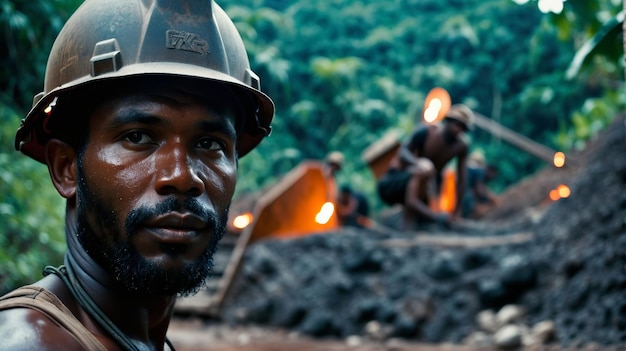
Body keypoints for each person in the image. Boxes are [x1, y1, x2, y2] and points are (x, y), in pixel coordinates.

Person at [0, 1, 274, 350]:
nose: (182, 176)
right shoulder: (30, 343)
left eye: (209, 143)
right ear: (66, 167)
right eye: (138, 137)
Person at [377, 104, 474, 230]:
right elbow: (403, 152)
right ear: (448, 121)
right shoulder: (426, 131)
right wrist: (417, 162)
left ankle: (414, 222)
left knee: (425, 222)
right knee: (422, 172)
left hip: (427, 186)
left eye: (463, 128)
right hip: (398, 181)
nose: (458, 130)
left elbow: (462, 180)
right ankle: (407, 223)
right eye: (457, 124)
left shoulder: (461, 146)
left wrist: (455, 211)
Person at [461, 151, 499, 218]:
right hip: (464, 192)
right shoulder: (480, 171)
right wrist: (490, 199)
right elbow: (479, 190)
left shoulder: (473, 169)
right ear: (491, 171)